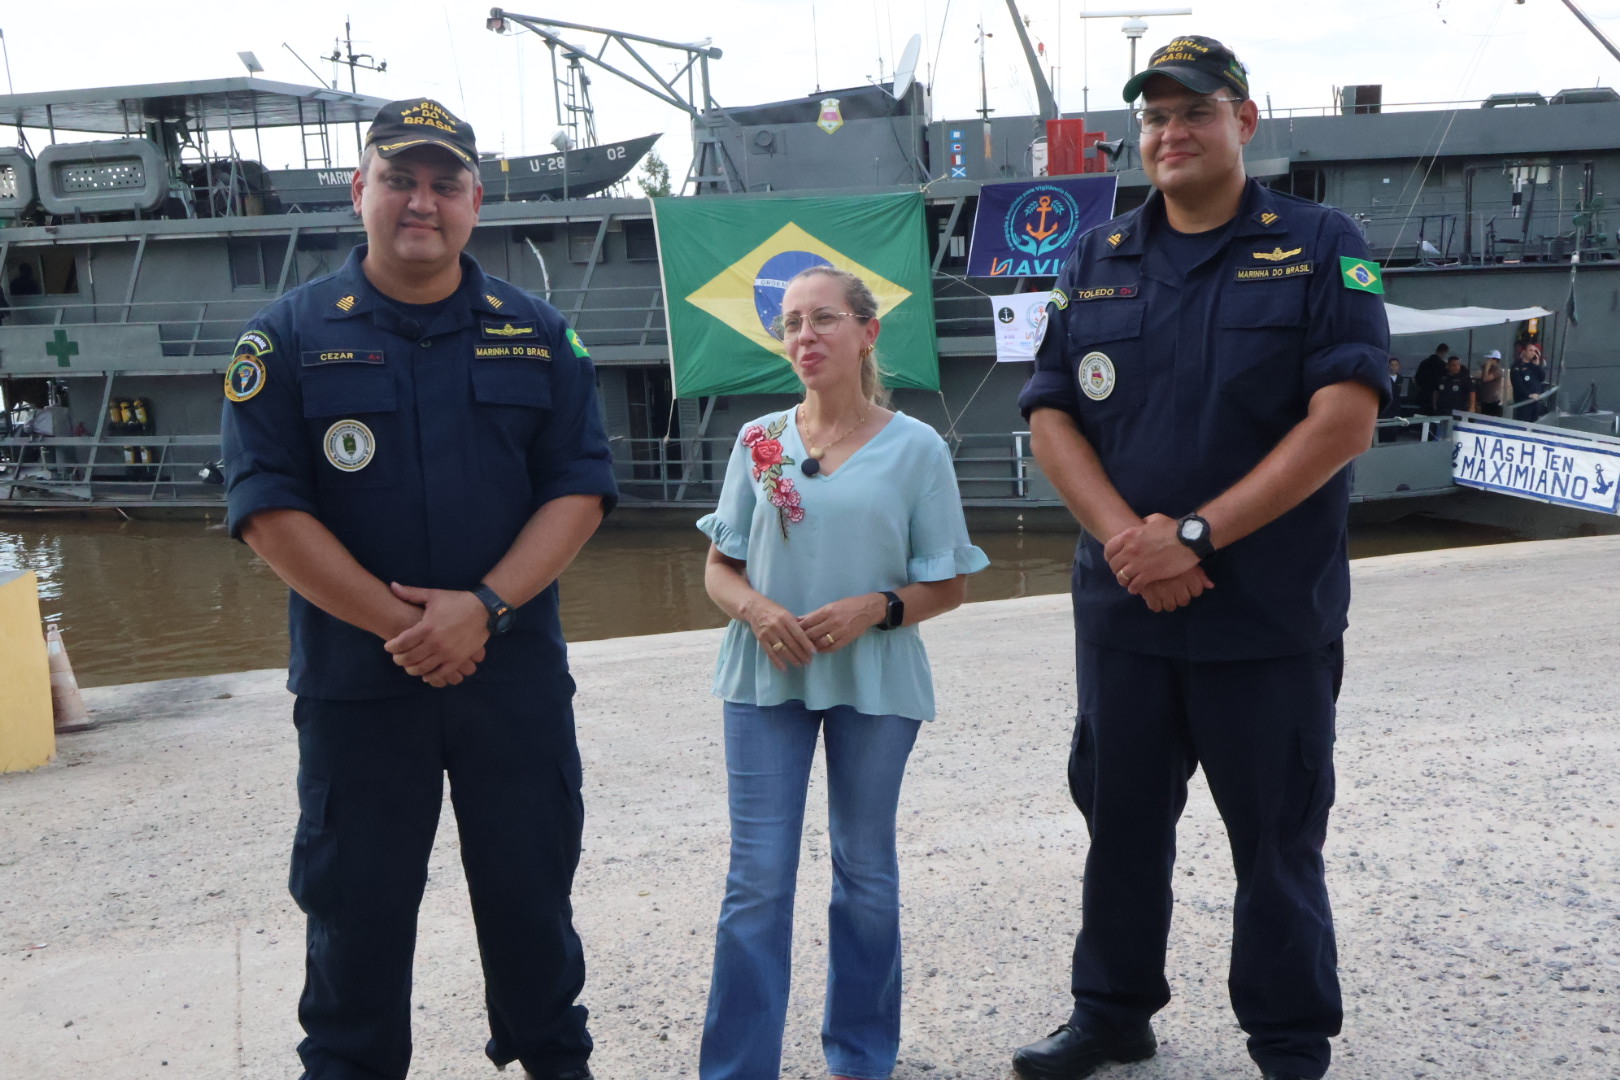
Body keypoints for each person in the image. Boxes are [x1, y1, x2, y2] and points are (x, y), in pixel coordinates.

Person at [1011, 36, 1388, 1080]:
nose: (1172, 133)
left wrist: (1195, 535)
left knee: (1275, 842)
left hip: (1265, 615)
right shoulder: (1095, 257)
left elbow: (1344, 420)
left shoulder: (1319, 244)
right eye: (1155, 117)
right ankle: (1112, 1012)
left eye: (1195, 112)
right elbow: (1049, 415)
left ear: (1243, 122)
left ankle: (1288, 1039)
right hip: (1128, 613)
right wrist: (1130, 545)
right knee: (1121, 825)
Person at [220, 98, 616, 1080]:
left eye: (444, 183)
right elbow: (270, 512)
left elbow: (579, 489)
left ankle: (551, 1061)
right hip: (361, 690)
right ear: (360, 192)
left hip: (510, 681)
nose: (421, 202)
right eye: (400, 178)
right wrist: (410, 627)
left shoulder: (539, 335)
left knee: (532, 908)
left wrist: (479, 612)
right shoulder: (287, 341)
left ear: (475, 202)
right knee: (355, 923)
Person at [695, 265, 988, 1080]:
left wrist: (874, 608)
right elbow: (721, 570)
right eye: (790, 324)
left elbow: (950, 581)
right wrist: (756, 611)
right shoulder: (759, 441)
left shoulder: (917, 448)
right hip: (765, 679)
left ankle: (861, 1060)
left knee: (865, 872)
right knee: (757, 879)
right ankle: (736, 1069)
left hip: (875, 680)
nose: (805, 337)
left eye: (823, 319)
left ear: (868, 332)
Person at [1510, 343, 1547, 421]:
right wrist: (1528, 394)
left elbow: (1542, 378)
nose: (1533, 353)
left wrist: (1537, 365)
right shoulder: (1517, 366)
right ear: (1524, 352)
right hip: (1524, 402)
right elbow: (1518, 384)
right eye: (1530, 350)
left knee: (1534, 423)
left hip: (1535, 402)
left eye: (1534, 351)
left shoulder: (1533, 365)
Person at [1413, 343, 1448, 414]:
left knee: (1423, 417)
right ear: (1445, 352)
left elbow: (1417, 378)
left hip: (1423, 394)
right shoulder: (1443, 365)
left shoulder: (1424, 363)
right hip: (1437, 396)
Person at [1474, 350, 1505, 417]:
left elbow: (1485, 379)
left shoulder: (1497, 369)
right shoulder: (1489, 369)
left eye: (1489, 359)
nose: (1487, 360)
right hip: (1485, 400)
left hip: (1492, 401)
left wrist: (1487, 367)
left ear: (1495, 360)